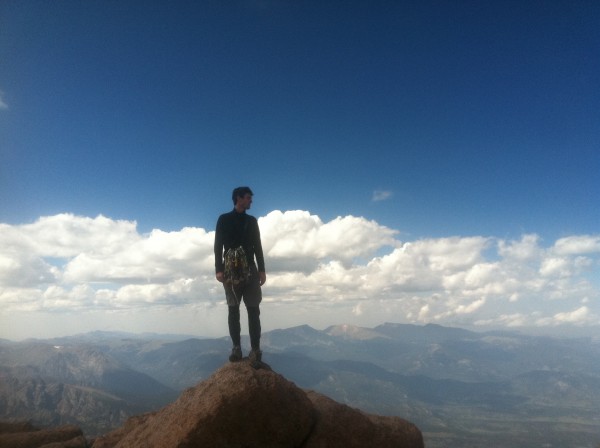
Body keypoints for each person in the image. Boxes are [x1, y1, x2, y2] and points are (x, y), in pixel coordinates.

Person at [214, 186, 266, 364]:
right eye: (248, 198)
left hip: (248, 269)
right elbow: (218, 245)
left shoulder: (252, 221)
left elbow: (258, 245)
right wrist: (218, 269)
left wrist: (262, 269)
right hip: (230, 271)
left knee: (252, 310)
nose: (251, 201)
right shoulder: (223, 219)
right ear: (238, 198)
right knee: (234, 309)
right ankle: (237, 348)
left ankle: (255, 350)